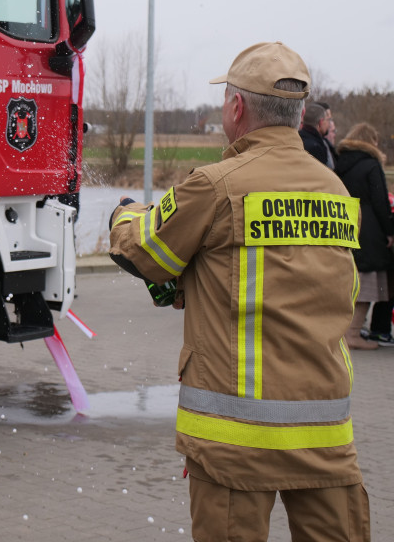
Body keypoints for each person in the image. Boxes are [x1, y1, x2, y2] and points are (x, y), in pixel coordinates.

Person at [108, 42, 369, 542]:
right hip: (327, 438)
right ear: (297, 115)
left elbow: (146, 252)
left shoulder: (216, 185)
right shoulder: (335, 190)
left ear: (236, 108)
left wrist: (123, 212)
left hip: (233, 443)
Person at [335, 122, 394, 348]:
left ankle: (344, 332)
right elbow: (380, 201)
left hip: (345, 226)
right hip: (369, 232)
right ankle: (353, 334)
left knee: (351, 285)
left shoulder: (340, 163)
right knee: (368, 285)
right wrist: (389, 232)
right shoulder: (371, 164)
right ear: (371, 141)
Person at [299, 101, 335, 168]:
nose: (329, 124)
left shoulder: (297, 139)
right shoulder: (316, 148)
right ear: (321, 122)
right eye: (327, 120)